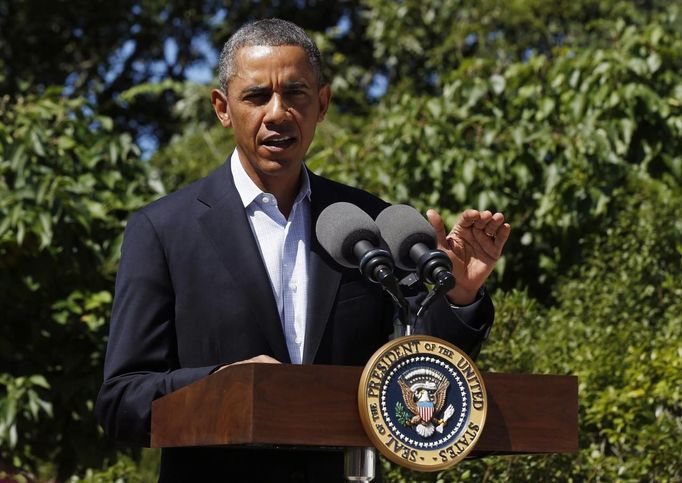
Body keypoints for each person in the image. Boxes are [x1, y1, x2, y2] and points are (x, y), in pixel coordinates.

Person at [95, 18, 510, 483]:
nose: (277, 113)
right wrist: (223, 384)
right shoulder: (163, 229)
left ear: (323, 104)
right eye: (256, 96)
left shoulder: (368, 222)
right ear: (222, 108)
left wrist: (457, 295)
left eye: (295, 95)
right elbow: (122, 401)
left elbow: (418, 375)